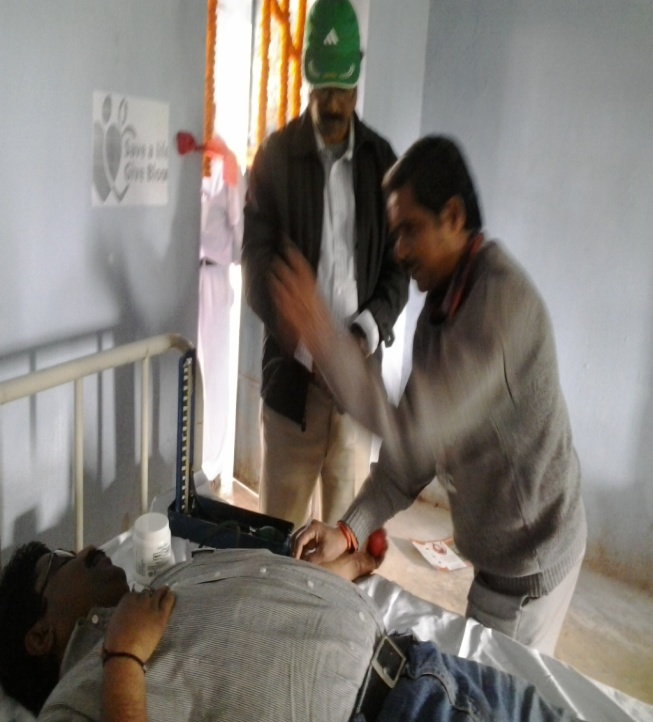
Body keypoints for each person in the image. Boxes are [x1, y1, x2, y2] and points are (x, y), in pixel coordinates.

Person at [271, 135, 588, 656]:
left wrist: (324, 339)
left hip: (528, 568)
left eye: (410, 230)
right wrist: (349, 532)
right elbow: (408, 463)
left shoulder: (499, 307)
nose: (399, 251)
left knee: (486, 687)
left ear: (454, 216)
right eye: (395, 234)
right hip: (497, 557)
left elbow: (412, 434)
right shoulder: (439, 315)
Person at [0, 541, 582, 721]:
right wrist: (124, 658)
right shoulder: (77, 696)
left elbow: (250, 620)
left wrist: (337, 572)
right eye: (63, 561)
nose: (88, 548)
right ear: (39, 635)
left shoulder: (155, 590)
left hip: (425, 666)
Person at [242, 0, 409, 528]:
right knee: (279, 537)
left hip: (356, 390)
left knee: (343, 536)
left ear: (357, 83)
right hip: (293, 389)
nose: (333, 104)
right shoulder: (275, 159)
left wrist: (361, 335)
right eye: (322, 90)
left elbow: (398, 269)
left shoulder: (383, 163)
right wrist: (306, 339)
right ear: (307, 81)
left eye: (342, 90)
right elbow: (255, 265)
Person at [197, 137, 245, 488]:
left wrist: (229, 166)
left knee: (213, 372)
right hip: (186, 276)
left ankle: (210, 465)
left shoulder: (225, 170)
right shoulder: (187, 167)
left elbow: (239, 225)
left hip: (214, 277)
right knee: (188, 365)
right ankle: (189, 459)